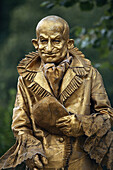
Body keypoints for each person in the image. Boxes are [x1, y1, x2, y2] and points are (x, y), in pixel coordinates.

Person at [0, 15, 113, 170]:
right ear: (36, 43)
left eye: (56, 41)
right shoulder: (25, 79)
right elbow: (20, 125)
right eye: (43, 41)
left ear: (69, 43)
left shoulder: (89, 75)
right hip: (44, 165)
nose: (48, 48)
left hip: (82, 164)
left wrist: (82, 125)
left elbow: (107, 115)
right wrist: (31, 152)